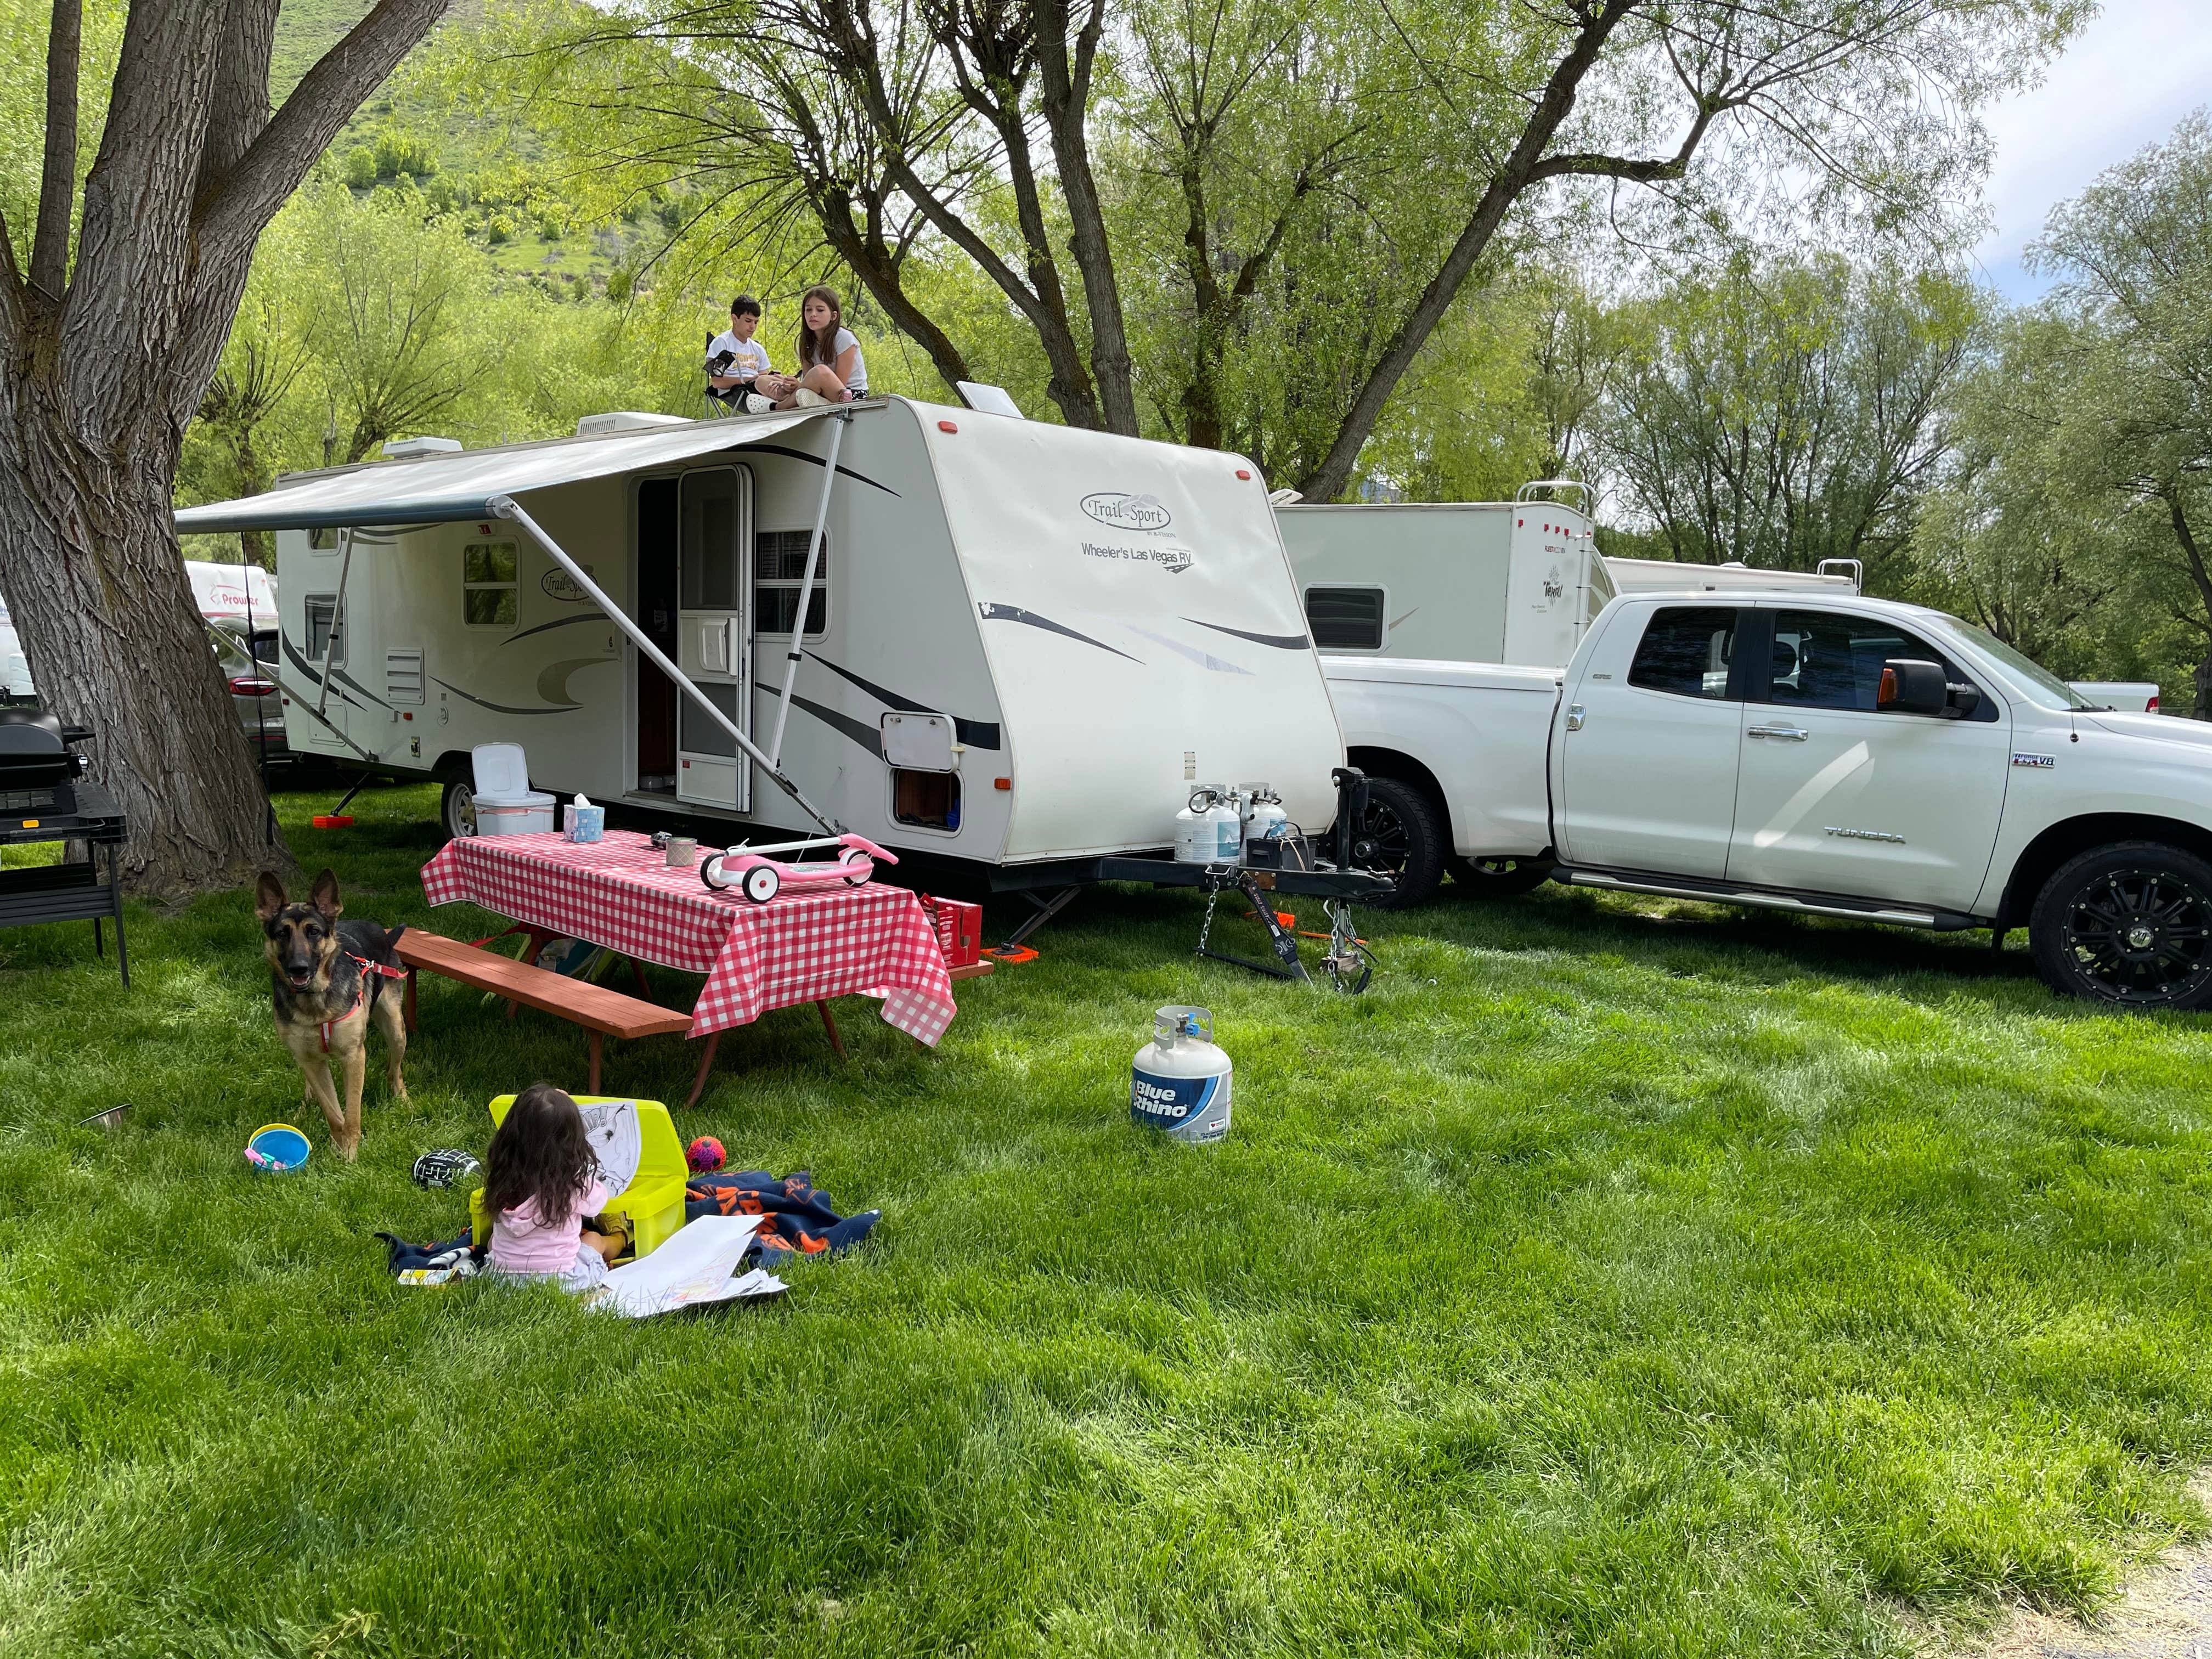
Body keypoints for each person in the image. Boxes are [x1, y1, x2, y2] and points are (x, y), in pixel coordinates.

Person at [481, 1083, 627, 1291]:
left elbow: (536, 1120)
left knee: (495, 1241)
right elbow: (598, 1201)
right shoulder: (571, 1183)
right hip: (561, 1281)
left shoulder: (503, 1175)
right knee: (594, 1239)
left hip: (501, 1280)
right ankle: (620, 1238)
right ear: (571, 1143)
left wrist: (550, 1104)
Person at [774, 284, 868, 408]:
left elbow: (840, 384)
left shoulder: (844, 338)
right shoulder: (805, 341)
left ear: (833, 316)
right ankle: (804, 399)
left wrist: (803, 386)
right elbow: (808, 379)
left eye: (820, 310)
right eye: (808, 310)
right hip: (818, 391)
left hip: (850, 395)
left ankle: (779, 407)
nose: (813, 314)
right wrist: (795, 385)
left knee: (820, 371)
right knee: (764, 381)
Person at [705, 296, 785, 415]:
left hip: (759, 389)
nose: (753, 326)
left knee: (782, 380)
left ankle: (794, 396)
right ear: (735, 319)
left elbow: (765, 378)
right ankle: (788, 402)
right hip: (736, 392)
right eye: (748, 321)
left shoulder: (758, 349)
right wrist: (748, 379)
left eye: (756, 322)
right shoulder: (722, 343)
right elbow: (717, 382)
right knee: (762, 381)